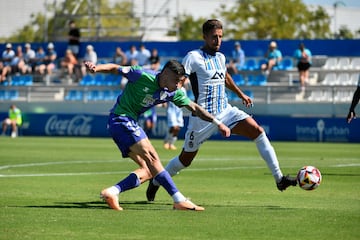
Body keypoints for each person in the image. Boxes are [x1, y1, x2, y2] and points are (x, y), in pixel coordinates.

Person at [146, 19, 297, 202]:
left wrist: (241, 94)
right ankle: (155, 182)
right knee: (185, 161)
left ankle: (279, 178)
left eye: (220, 37)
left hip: (226, 111)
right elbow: (179, 79)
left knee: (258, 131)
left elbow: (225, 77)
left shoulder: (221, 58)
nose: (217, 41)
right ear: (204, 37)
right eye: (214, 37)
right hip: (203, 117)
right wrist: (171, 95)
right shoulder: (193, 57)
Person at [84, 59, 231, 211]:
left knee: (149, 170)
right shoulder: (141, 74)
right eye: (176, 80)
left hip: (124, 123)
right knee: (153, 158)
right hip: (120, 119)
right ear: (166, 73)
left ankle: (112, 192)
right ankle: (179, 199)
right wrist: (96, 68)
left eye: (180, 82)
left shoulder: (171, 92)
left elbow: (194, 107)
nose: (178, 85)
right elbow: (115, 68)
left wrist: (217, 122)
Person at [163, 85, 187, 150]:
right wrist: (164, 102)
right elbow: (165, 95)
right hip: (171, 110)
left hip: (179, 111)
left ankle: (171, 143)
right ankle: (166, 141)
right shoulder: (172, 87)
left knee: (177, 128)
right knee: (173, 127)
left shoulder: (183, 90)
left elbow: (185, 100)